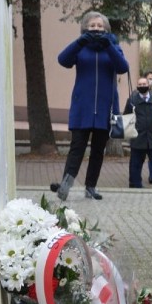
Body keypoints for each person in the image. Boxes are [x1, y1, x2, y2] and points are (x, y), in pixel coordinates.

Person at [51, 11, 129, 200]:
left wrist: (108, 46)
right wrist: (80, 42)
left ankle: (91, 187)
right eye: (92, 26)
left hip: (105, 109)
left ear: (106, 29)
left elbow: (122, 67)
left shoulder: (113, 47)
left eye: (100, 26)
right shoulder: (81, 47)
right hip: (82, 108)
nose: (96, 29)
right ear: (85, 28)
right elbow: (63, 60)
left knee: (97, 151)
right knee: (76, 148)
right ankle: (65, 186)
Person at [125, 77, 152, 189]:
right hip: (137, 138)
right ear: (137, 86)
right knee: (136, 165)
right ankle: (137, 186)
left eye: (144, 84)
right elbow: (127, 116)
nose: (142, 86)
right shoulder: (132, 100)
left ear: (148, 85)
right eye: (140, 84)